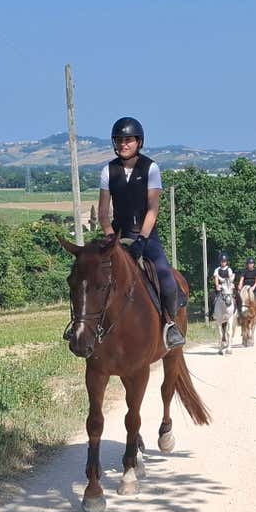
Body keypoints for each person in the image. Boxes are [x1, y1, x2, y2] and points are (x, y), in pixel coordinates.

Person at [97, 116, 185, 351]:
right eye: (119, 140)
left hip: (146, 236)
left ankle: (170, 324)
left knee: (167, 279)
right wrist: (111, 239)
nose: (123, 144)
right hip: (116, 236)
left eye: (128, 140)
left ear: (139, 142)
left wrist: (142, 240)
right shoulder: (108, 170)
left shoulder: (150, 168)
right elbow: (103, 213)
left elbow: (152, 209)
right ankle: (88, 327)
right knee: (91, 275)